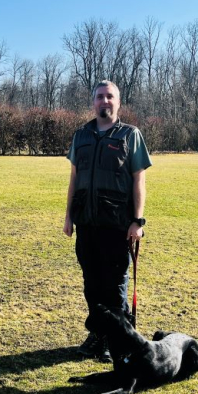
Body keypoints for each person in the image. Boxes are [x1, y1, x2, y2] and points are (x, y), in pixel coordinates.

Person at [63, 80, 152, 362]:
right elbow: (74, 178)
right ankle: (98, 334)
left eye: (110, 96)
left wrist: (137, 221)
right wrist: (68, 216)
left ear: (118, 102)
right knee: (92, 284)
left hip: (117, 225)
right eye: (100, 97)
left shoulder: (130, 135)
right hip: (86, 223)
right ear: (93, 102)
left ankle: (117, 339)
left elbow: (139, 180)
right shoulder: (81, 135)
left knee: (114, 287)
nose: (105, 101)